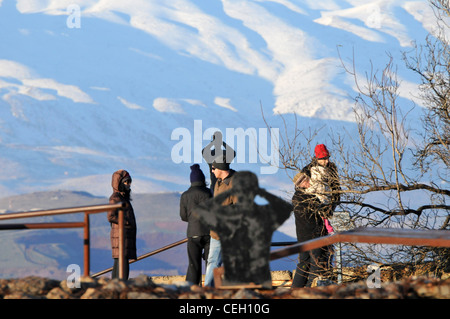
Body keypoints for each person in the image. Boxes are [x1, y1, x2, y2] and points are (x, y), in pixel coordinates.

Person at [291, 144, 340, 287]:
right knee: (316, 264)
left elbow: (336, 190)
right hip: (313, 231)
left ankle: (296, 291)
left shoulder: (331, 170)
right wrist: (323, 209)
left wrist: (330, 208)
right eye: (323, 158)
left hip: (308, 232)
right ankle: (306, 291)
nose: (326, 161)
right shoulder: (304, 191)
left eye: (327, 158)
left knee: (305, 263)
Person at [203, 154, 236, 287]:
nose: (212, 170)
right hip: (216, 232)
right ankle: (209, 289)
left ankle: (210, 290)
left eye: (213, 168)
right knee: (213, 261)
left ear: (221, 169)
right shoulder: (218, 182)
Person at [179, 164, 212, 285]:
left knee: (193, 264)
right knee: (210, 263)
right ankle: (211, 289)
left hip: (193, 233)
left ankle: (191, 290)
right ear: (203, 179)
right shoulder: (209, 193)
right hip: (209, 233)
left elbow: (183, 216)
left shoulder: (185, 195)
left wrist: (193, 220)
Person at [107, 169, 137, 280]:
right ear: (119, 183)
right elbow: (110, 215)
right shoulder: (116, 198)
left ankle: (115, 289)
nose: (129, 184)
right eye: (126, 182)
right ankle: (120, 289)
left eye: (129, 182)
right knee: (122, 264)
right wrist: (126, 222)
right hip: (121, 235)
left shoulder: (123, 198)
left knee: (120, 262)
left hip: (123, 236)